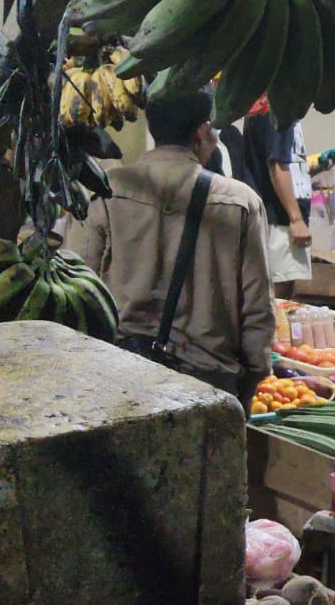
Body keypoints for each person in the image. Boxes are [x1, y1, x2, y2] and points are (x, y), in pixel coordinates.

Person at [67, 90, 274, 409]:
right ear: (202, 131)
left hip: (119, 378)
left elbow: (77, 286)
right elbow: (257, 306)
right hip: (207, 386)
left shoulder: (105, 190)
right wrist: (251, 381)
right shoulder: (240, 201)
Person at [243, 104, 312, 299]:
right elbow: (277, 165)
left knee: (279, 296)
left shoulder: (268, 108)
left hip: (278, 216)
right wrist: (296, 219)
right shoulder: (278, 110)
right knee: (279, 299)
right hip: (279, 218)